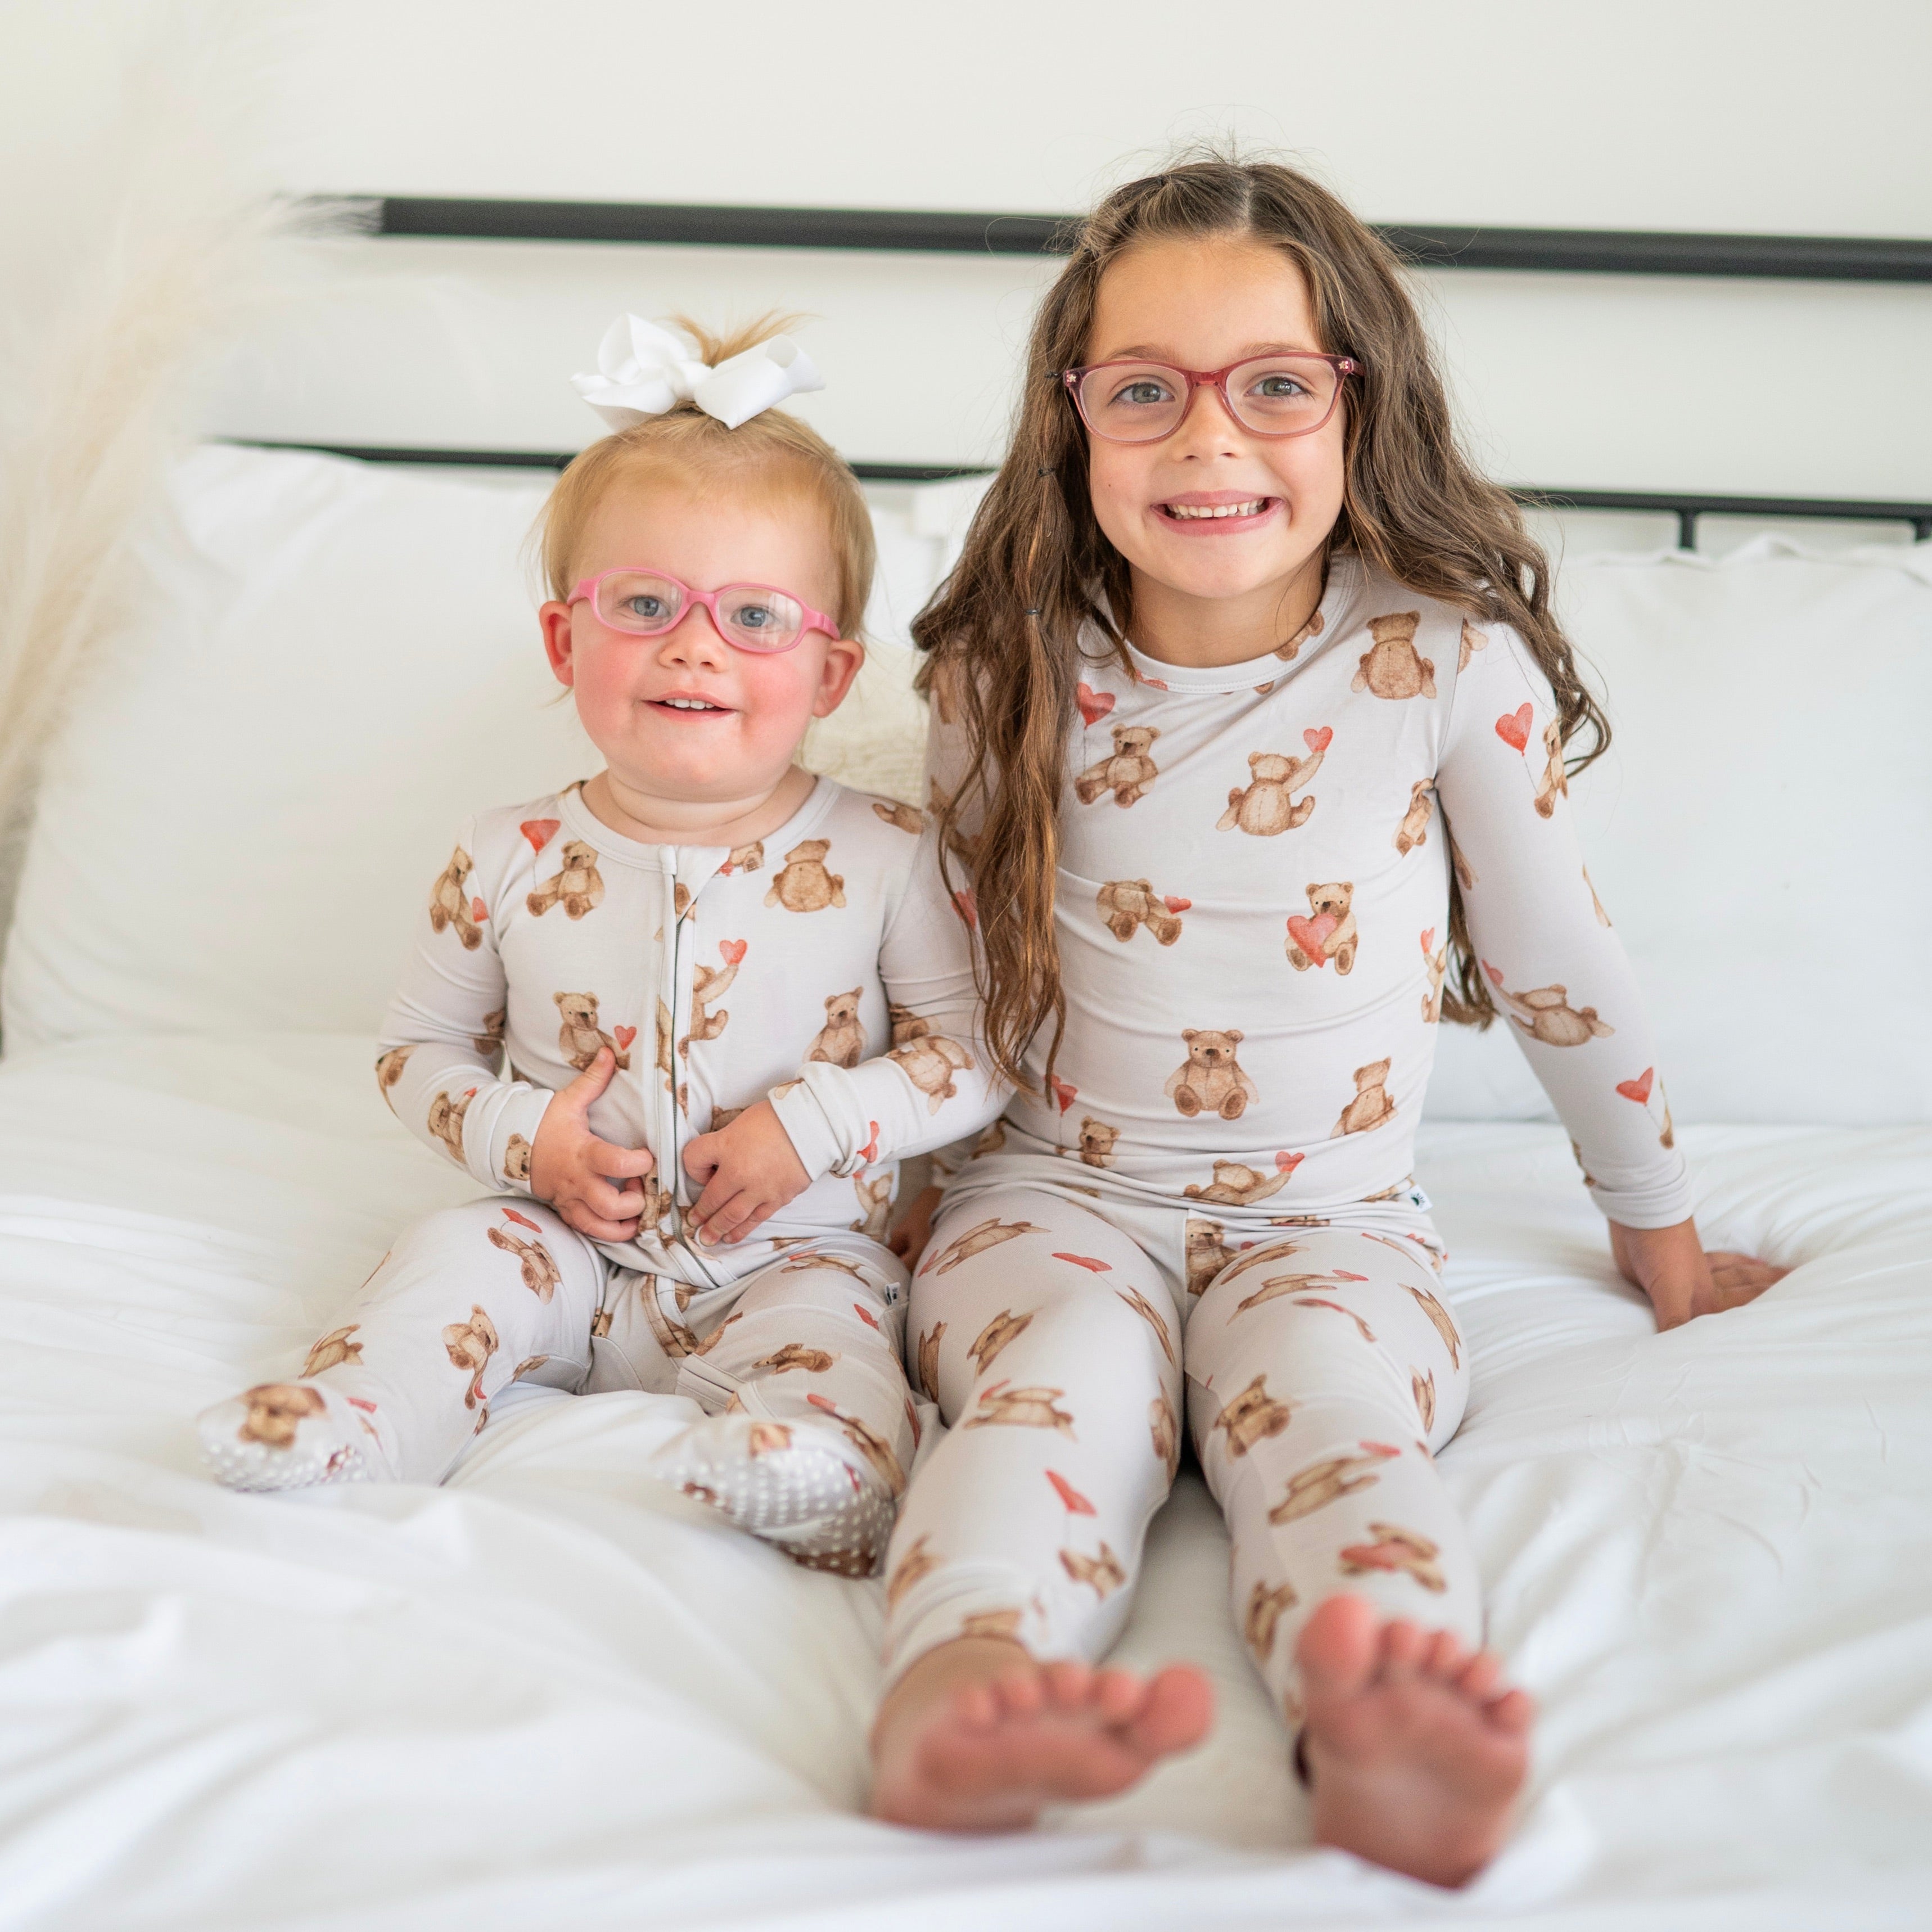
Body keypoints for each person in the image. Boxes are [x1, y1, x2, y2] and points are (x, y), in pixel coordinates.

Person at [866, 156, 1786, 1883]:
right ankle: (962, 1676)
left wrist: (1654, 1227)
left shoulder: (1441, 659)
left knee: (1334, 1411)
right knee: (1051, 1390)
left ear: (1363, 403)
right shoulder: (1004, 665)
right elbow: (947, 964)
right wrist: (903, 1189)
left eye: (1274, 386)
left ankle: (1384, 1709)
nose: (1206, 440)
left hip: (1333, 1218)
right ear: (1072, 414)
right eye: (1144, 390)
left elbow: (1559, 963)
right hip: (1049, 1196)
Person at [198, 314, 1004, 1578]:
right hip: (559, 1239)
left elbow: (973, 1056)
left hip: (790, 1249)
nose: (694, 643)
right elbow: (415, 1052)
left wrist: (818, 1124)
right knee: (445, 1265)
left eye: (754, 614)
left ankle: (818, 1468)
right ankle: (351, 1424)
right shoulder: (504, 852)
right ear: (565, 641)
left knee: (839, 1335)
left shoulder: (890, 852)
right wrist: (524, 1139)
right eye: (643, 603)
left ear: (832, 673)